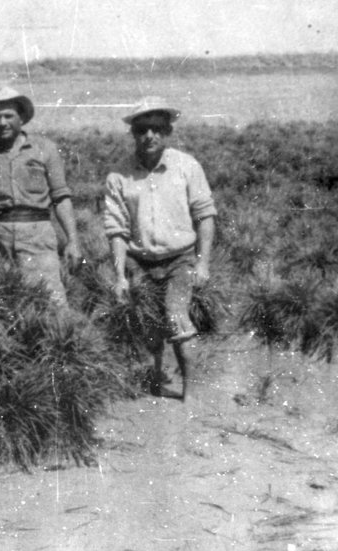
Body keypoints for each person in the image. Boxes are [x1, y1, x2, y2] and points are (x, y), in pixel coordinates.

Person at [103, 96, 217, 400]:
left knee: (177, 318)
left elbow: (205, 215)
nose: (149, 135)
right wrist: (120, 276)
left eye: (156, 129)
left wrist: (203, 263)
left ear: (167, 131)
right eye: (142, 130)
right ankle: (156, 381)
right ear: (133, 133)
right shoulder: (119, 175)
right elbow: (116, 229)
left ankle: (189, 394)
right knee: (149, 324)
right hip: (139, 261)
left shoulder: (186, 166)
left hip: (179, 259)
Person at [0, 87, 82, 313]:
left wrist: (72, 240)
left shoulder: (45, 149)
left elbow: (61, 197)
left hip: (38, 235)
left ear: (21, 118)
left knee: (51, 304)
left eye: (8, 116)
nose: (2, 122)